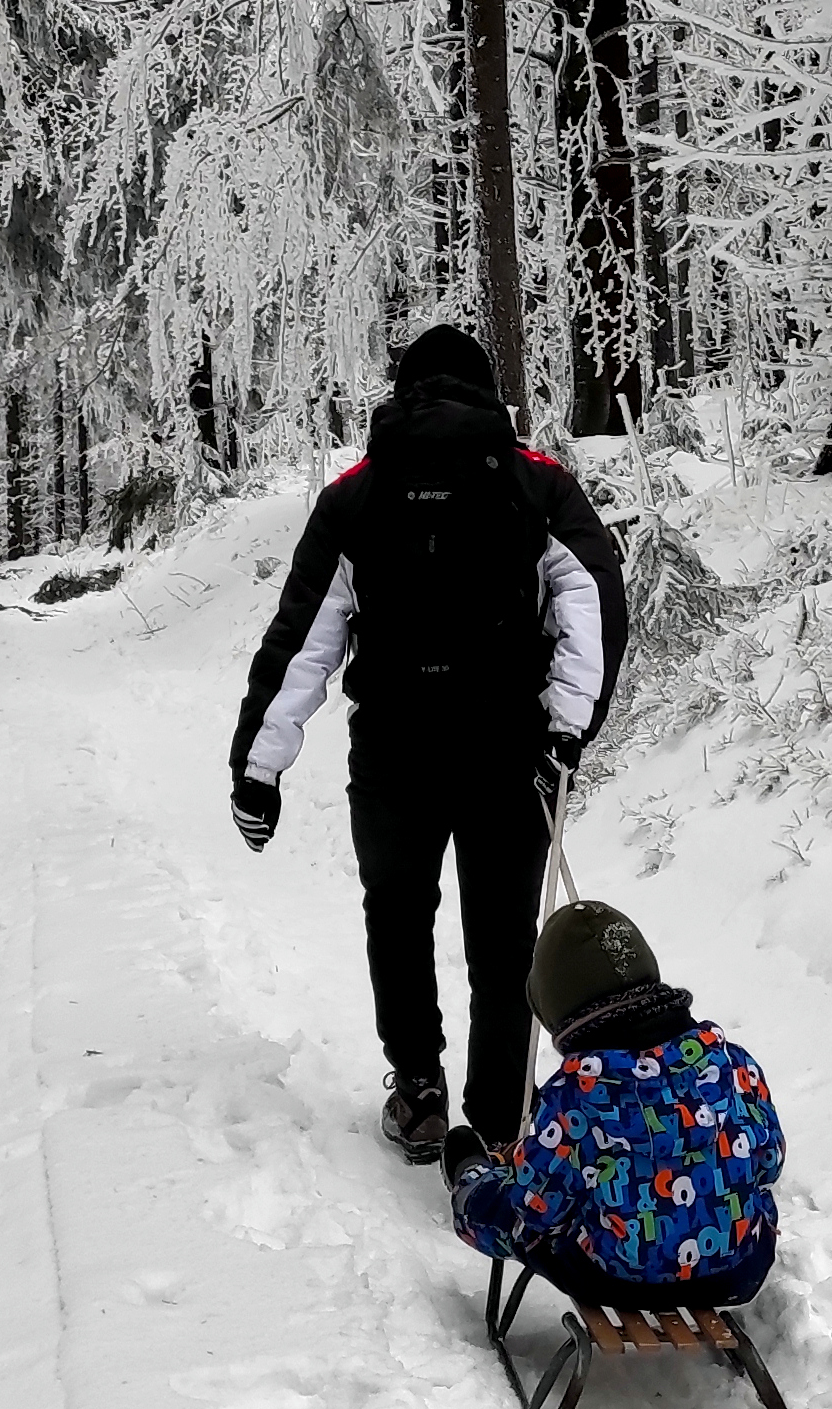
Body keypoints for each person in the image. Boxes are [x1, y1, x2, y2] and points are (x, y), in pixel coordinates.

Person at [230, 324, 627, 1160]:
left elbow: (303, 641)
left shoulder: (357, 497)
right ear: (489, 392)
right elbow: (592, 602)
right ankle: (498, 1120)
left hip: (394, 753)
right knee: (505, 940)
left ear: (404, 393)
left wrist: (257, 769)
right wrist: (566, 728)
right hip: (507, 751)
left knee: (399, 917)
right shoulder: (537, 485)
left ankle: (417, 1091)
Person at [452, 897, 784, 1305]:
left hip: (615, 1281)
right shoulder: (734, 1065)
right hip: (740, 1270)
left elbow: (537, 1209)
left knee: (509, 1210)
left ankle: (472, 1186)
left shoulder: (578, 1098)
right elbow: (770, 1162)